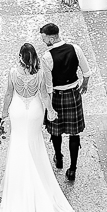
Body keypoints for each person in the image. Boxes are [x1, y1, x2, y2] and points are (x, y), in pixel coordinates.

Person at [0, 41, 95, 212]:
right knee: (34, 145)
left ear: (20, 57)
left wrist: (2, 115)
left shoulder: (12, 73)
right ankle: (38, 178)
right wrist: (49, 110)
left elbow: (9, 94)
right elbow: (44, 96)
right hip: (35, 113)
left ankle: (19, 186)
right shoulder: (39, 74)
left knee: (18, 145)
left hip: (18, 112)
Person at [39, 21, 92, 182]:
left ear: (52, 38)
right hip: (74, 95)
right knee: (74, 133)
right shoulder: (75, 49)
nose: (43, 41)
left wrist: (49, 108)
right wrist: (84, 85)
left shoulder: (47, 57)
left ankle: (59, 158)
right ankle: (73, 169)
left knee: (56, 130)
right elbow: (87, 72)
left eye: (45, 38)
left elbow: (48, 87)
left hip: (57, 96)